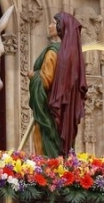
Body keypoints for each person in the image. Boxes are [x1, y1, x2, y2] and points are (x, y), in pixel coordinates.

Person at [27, 12, 87, 157]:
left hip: (50, 112)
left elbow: (45, 81)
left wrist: (33, 75)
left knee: (46, 149)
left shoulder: (53, 52)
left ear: (61, 27)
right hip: (66, 113)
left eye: (53, 23)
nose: (49, 26)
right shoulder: (73, 55)